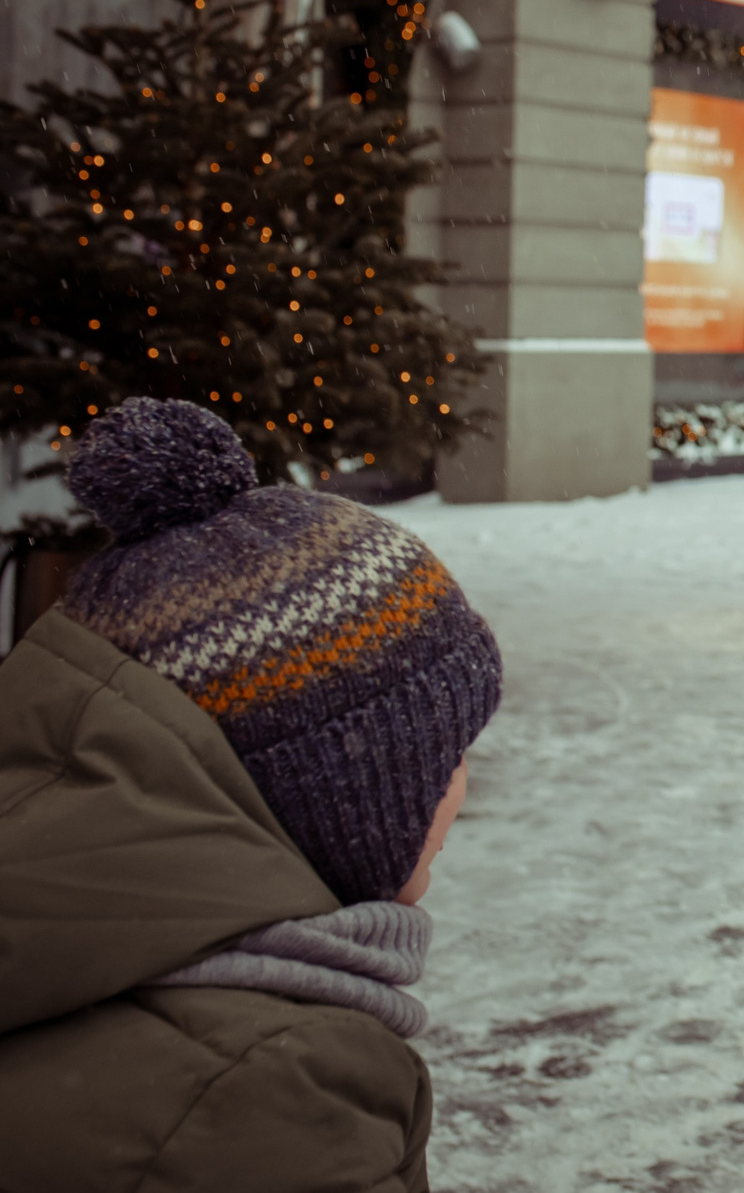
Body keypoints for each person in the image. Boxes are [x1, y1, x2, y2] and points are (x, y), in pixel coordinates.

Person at [0, 398, 503, 1190]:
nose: (460, 797)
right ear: (338, 787)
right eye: (445, 753)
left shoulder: (75, 944)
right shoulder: (275, 1088)